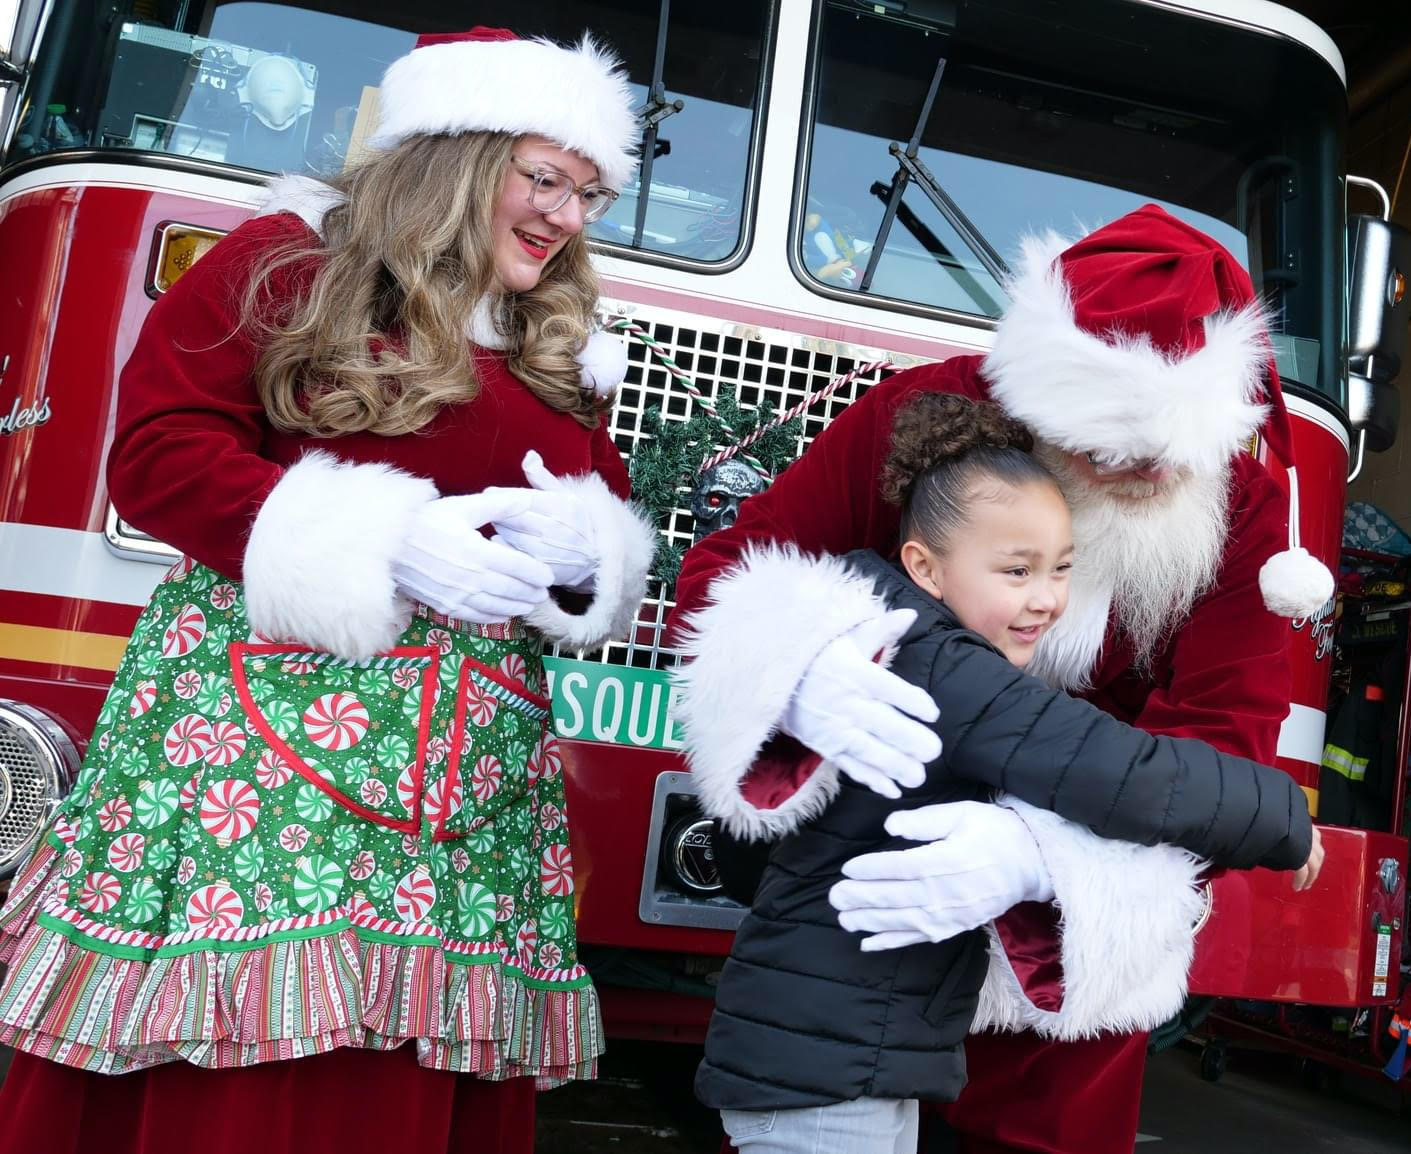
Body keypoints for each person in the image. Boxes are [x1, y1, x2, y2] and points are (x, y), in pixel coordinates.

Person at [0, 26, 655, 1154]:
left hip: (467, 791)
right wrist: (387, 538)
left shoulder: (557, 335)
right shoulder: (285, 263)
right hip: (266, 750)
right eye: (543, 178)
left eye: (590, 193)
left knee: (405, 1066)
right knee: (254, 1069)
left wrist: (585, 547)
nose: (566, 218)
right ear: (454, 155)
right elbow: (156, 453)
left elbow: (599, 503)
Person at [669, 204, 1334, 1154]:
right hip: (877, 881)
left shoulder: (1248, 511)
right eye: (1101, 448)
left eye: (1163, 455)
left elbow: (1221, 739)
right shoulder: (929, 418)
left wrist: (1037, 858)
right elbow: (727, 576)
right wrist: (804, 670)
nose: (1136, 474)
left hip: (1082, 917)